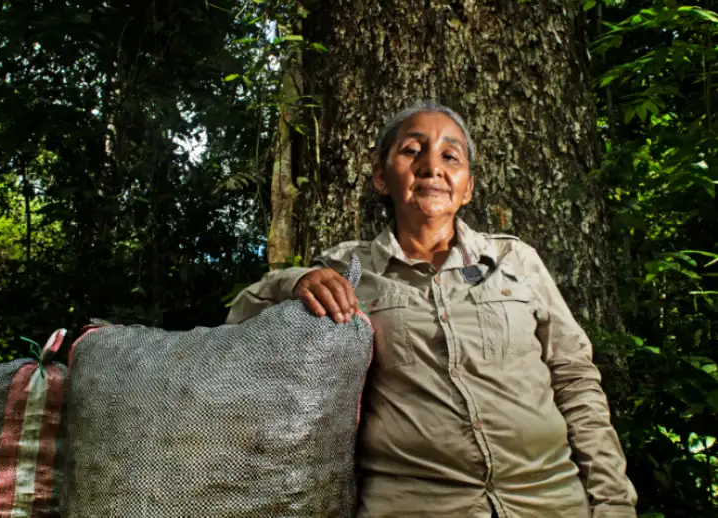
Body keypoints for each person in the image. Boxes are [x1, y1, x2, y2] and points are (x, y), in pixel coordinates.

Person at [226, 101, 638, 518]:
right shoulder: (349, 270)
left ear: (468, 186)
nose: (431, 167)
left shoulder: (517, 260)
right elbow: (240, 321)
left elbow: (575, 380)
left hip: (550, 499)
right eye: (411, 151)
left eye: (450, 156)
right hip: (416, 505)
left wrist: (613, 502)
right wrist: (293, 281)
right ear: (380, 177)